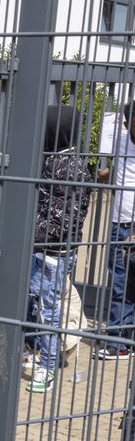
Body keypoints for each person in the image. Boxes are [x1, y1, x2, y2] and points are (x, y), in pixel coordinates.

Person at [24, 106, 89, 392]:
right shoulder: (52, 161)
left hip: (52, 252)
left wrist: (28, 227)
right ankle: (36, 352)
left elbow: (63, 219)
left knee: (47, 310)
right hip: (43, 249)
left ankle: (48, 368)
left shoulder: (68, 167)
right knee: (36, 303)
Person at [99, 102, 135, 359]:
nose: (124, 126)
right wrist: (106, 172)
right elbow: (122, 168)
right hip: (117, 222)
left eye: (127, 121)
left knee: (124, 283)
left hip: (132, 225)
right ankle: (122, 340)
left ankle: (119, 341)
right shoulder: (122, 140)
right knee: (120, 281)